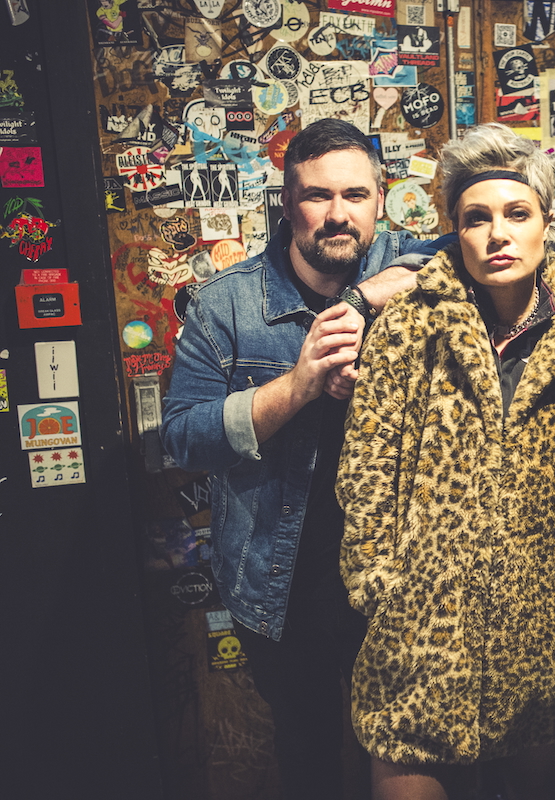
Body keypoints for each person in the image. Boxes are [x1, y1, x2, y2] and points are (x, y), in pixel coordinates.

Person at [335, 122, 555, 800]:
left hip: (548, 632)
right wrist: (380, 585)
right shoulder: (408, 326)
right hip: (423, 631)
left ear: (547, 224)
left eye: (516, 214)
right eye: (477, 218)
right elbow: (367, 472)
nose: (497, 234)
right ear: (455, 229)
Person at [161, 118, 442, 800]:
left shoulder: (423, 271)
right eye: (318, 195)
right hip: (279, 585)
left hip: (405, 579)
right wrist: (298, 385)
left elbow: (485, 249)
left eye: (356, 194)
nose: (339, 214)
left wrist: (364, 299)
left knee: (414, 750)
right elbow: (183, 439)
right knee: (307, 749)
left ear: (381, 199)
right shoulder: (226, 305)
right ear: (287, 204)